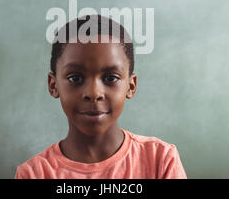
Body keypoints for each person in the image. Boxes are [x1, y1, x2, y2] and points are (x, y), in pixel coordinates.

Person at [15, 15, 186, 178]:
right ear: (53, 85)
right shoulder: (34, 174)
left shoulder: (161, 160)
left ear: (131, 86)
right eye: (75, 78)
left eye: (111, 78)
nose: (94, 93)